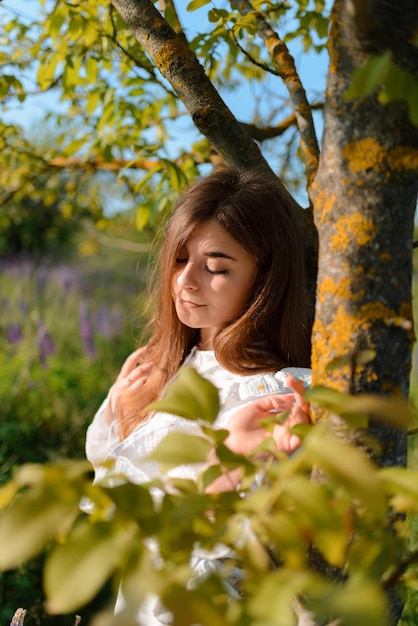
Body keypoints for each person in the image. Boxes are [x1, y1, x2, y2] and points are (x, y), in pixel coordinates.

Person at [85, 167, 312, 624]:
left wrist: (225, 475)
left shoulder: (276, 393)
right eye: (179, 259)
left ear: (264, 279)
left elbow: (227, 563)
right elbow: (111, 521)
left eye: (216, 268)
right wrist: (128, 421)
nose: (186, 282)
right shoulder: (155, 367)